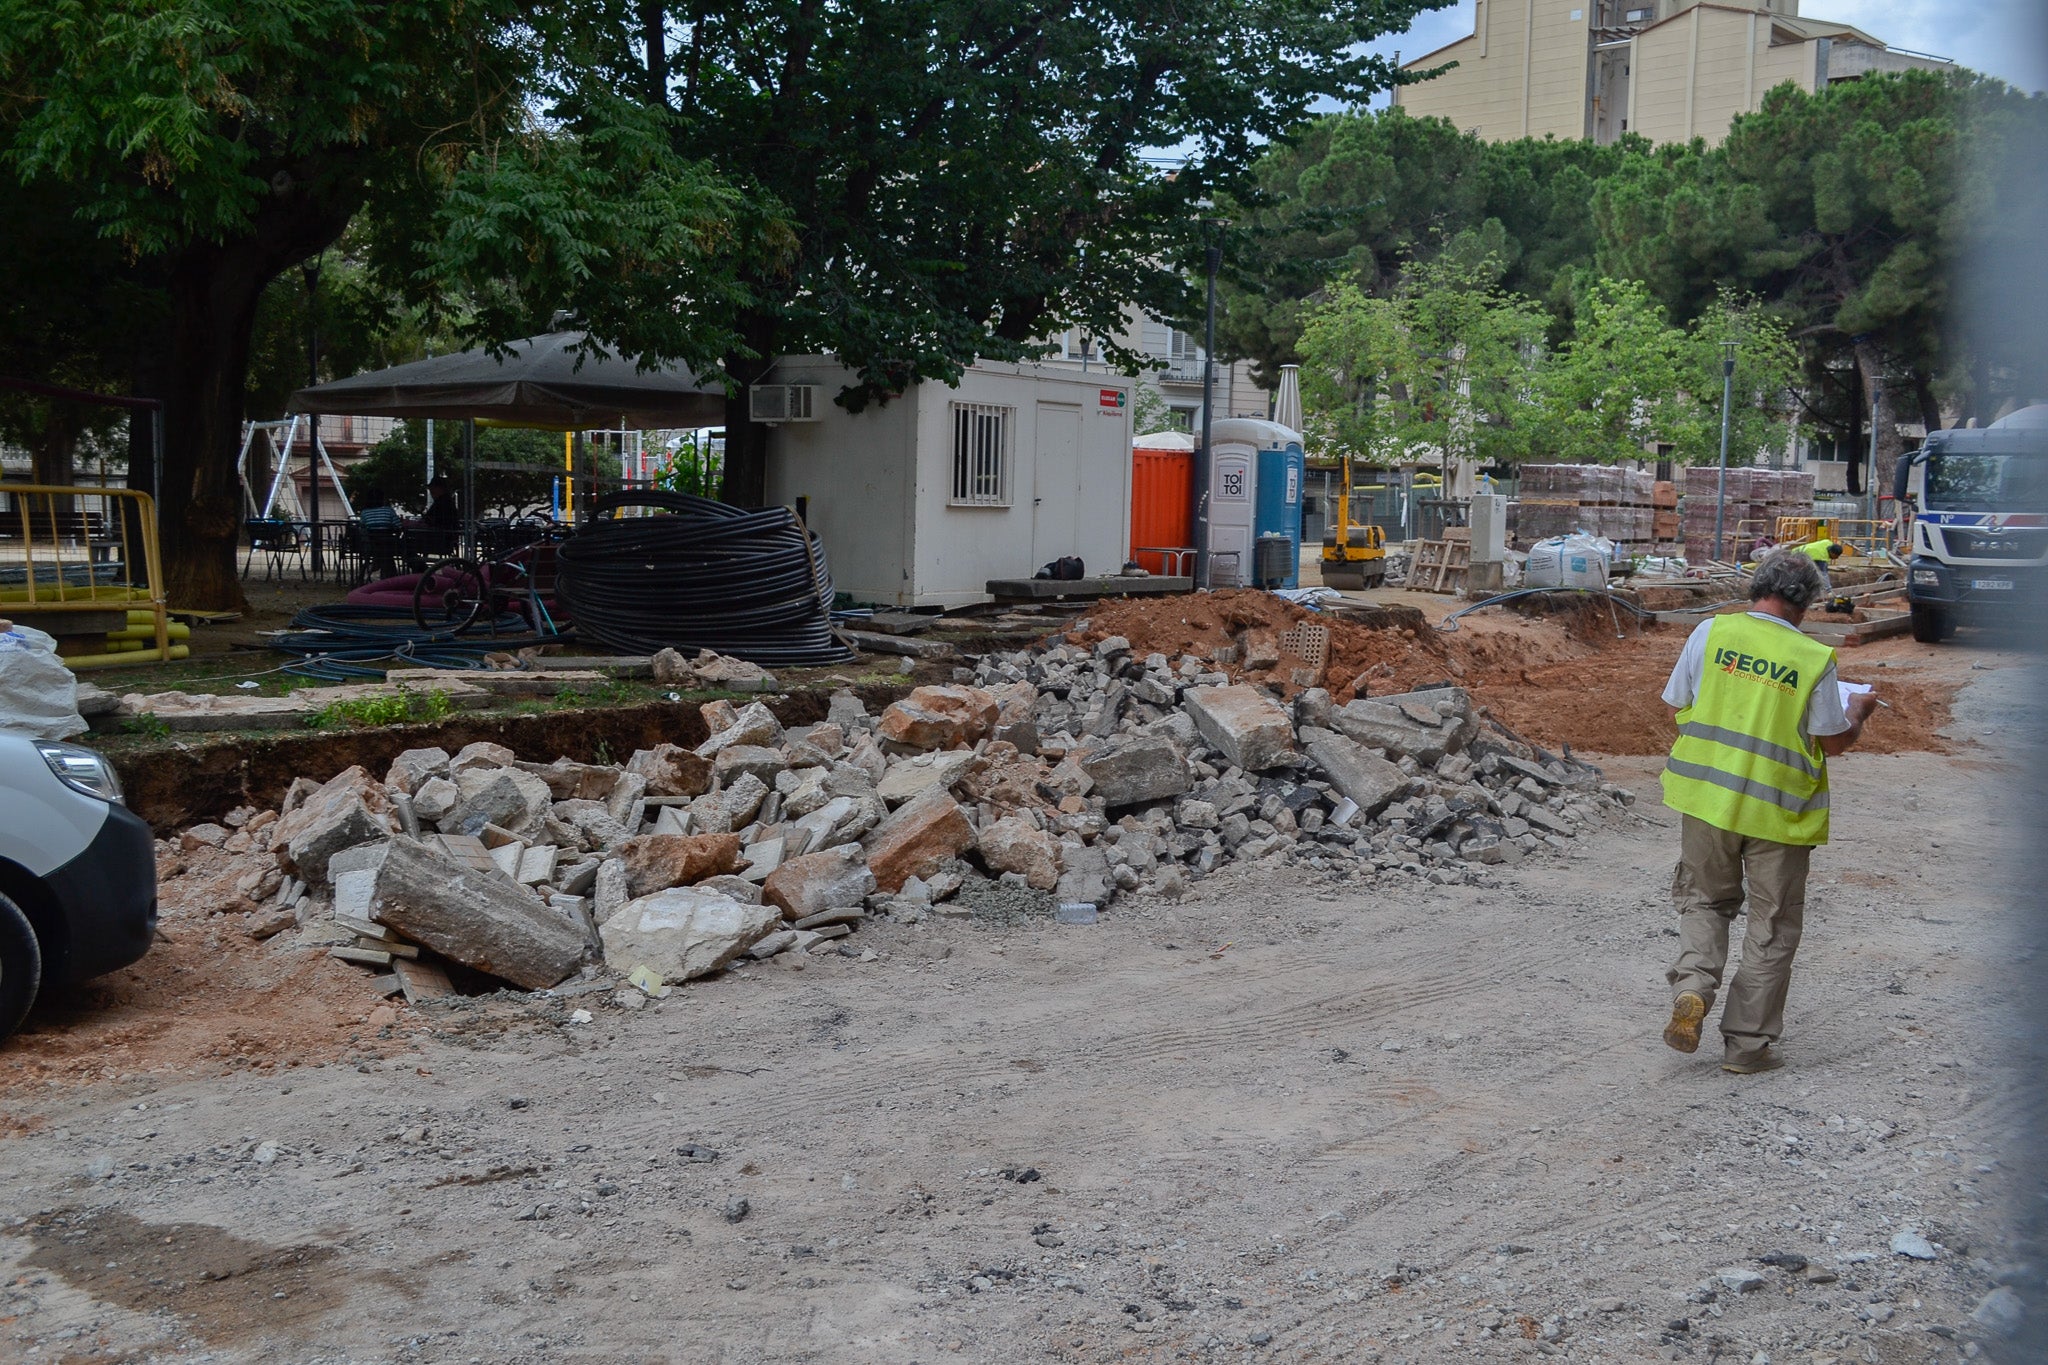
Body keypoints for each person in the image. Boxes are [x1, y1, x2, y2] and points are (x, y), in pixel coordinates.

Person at [1658, 548, 1880, 1074]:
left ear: (1758, 587)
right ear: (1807, 604)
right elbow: (1833, 741)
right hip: (1779, 811)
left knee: (1705, 902)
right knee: (1773, 924)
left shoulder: (1711, 633)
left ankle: (1692, 989)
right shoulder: (1812, 658)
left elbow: (1676, 705)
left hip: (1707, 800)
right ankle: (1747, 1046)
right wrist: (1859, 711)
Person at [419, 475, 461, 553]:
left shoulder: (442, 503)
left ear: (440, 488)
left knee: (407, 544)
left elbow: (431, 520)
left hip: (438, 540)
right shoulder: (445, 501)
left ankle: (419, 565)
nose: (431, 491)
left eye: (432, 488)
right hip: (442, 539)